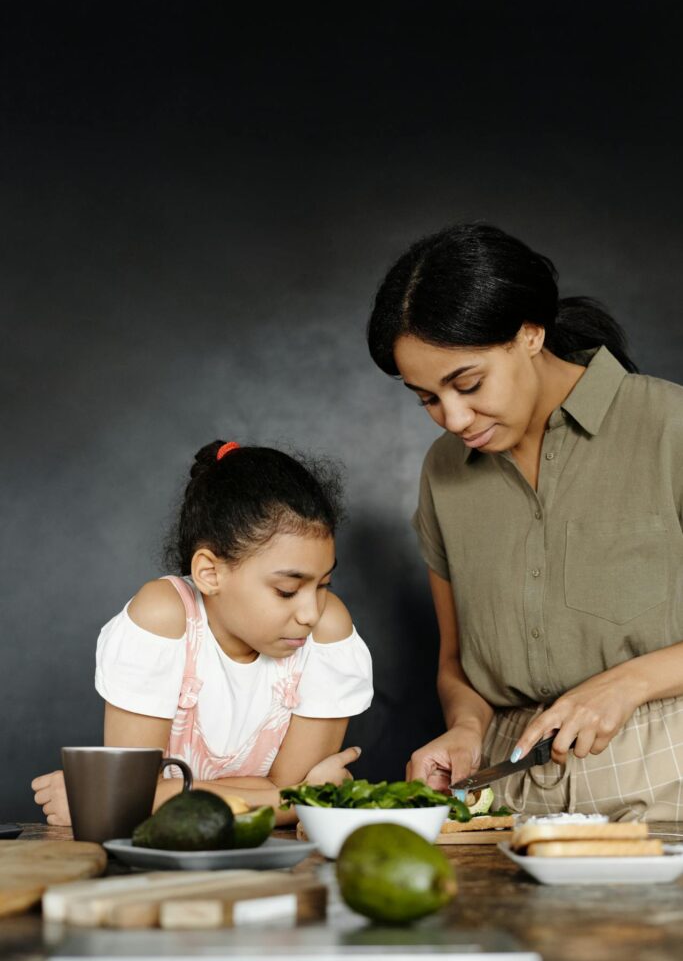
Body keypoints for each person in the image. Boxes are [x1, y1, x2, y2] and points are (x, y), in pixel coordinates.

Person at [368, 222, 683, 820]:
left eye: (467, 383)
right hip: (507, 798)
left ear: (530, 334)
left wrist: (627, 683)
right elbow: (457, 662)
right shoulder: (444, 472)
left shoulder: (670, 426)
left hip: (669, 784)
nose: (453, 418)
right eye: (428, 398)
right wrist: (464, 728)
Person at [32, 441, 373, 825]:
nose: (311, 613)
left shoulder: (328, 634)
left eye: (324, 584)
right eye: (287, 591)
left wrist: (119, 797)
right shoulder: (163, 618)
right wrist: (290, 799)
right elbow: (298, 799)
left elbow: (125, 800)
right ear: (210, 573)